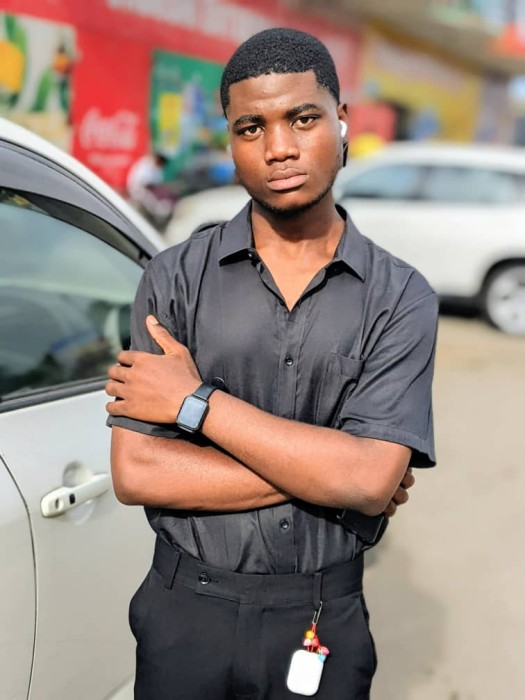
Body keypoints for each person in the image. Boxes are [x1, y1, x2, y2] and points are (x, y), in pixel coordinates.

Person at [105, 27, 438, 700]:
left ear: (341, 119)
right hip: (185, 609)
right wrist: (335, 475)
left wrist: (195, 404)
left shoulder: (400, 296)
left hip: (322, 613)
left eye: (302, 118)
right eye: (251, 128)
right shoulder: (174, 278)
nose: (278, 148)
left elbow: (369, 479)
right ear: (230, 141)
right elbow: (137, 471)